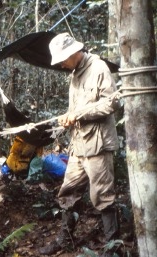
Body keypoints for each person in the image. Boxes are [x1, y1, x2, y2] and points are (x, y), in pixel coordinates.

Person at [39, 32, 121, 255]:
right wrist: (69, 117)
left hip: (98, 145)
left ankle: (113, 247)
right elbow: (76, 108)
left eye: (64, 59)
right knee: (68, 191)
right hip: (79, 144)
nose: (62, 65)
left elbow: (112, 104)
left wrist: (79, 115)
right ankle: (65, 238)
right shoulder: (75, 74)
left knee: (103, 197)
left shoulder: (99, 68)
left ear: (75, 52)